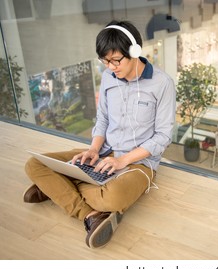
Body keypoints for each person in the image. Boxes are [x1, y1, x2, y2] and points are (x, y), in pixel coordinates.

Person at [22, 20, 176, 249]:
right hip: (103, 153)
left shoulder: (162, 83)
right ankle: (90, 214)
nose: (111, 66)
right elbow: (102, 118)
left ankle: (58, 188)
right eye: (105, 60)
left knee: (113, 198)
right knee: (34, 164)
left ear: (134, 51)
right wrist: (94, 150)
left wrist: (122, 160)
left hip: (139, 163)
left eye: (116, 60)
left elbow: (163, 136)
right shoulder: (107, 77)